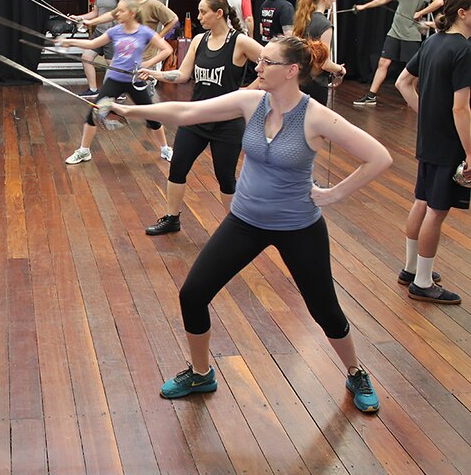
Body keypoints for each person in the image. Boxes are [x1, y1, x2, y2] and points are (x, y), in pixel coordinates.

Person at [109, 35, 393, 413]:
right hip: (245, 220)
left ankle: (355, 371)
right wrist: (130, 112)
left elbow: (379, 157)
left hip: (298, 227)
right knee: (193, 294)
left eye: (266, 63)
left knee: (325, 309)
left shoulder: (316, 116)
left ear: (292, 71)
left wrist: (334, 194)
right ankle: (200, 373)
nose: (257, 67)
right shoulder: (251, 101)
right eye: (260, 61)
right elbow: (187, 113)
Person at [139, 0, 262, 235]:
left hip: (227, 122)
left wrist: (249, 91)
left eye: (203, 12)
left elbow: (272, 63)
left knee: (225, 178)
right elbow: (183, 75)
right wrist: (156, 74)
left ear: (219, 13)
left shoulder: (240, 42)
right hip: (196, 116)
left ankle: (234, 230)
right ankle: (172, 219)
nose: (199, 17)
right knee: (177, 168)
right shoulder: (198, 40)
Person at [394, 0, 471, 304]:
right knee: (436, 212)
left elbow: (402, 82)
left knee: (422, 201)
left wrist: (424, 113)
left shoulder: (433, 43)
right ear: (463, 13)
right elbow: (461, 108)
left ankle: (412, 269)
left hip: (429, 139)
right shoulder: (465, 50)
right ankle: (423, 281)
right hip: (450, 143)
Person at [61, 0, 173, 165]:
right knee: (95, 112)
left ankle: (165, 149)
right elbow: (93, 45)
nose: (116, 14)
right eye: (116, 10)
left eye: (121, 11)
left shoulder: (144, 31)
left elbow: (167, 49)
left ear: (132, 13)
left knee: (152, 117)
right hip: (115, 79)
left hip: (134, 80)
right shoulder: (115, 31)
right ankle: (84, 151)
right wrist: (70, 42)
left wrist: (147, 64)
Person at [353, 0, 444, 106]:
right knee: (383, 63)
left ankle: (412, 99)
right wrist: (364, 7)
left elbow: (439, 1)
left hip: (411, 33)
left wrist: (421, 12)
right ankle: (371, 95)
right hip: (395, 31)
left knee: (412, 69)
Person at [84, 0, 179, 83]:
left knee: (142, 94)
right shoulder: (126, 3)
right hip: (124, 58)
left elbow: (173, 19)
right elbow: (111, 15)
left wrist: (159, 36)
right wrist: (91, 22)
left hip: (144, 58)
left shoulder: (154, 5)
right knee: (109, 89)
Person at [70, 0, 126, 98]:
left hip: (112, 35)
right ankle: (93, 89)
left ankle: (119, 92)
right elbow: (95, 13)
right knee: (86, 57)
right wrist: (79, 17)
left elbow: (126, 11)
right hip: (99, 32)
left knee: (111, 66)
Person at [292, 0, 347, 106]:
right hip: (315, 85)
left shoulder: (302, 19)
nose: (334, 0)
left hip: (298, 81)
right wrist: (340, 69)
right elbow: (323, 63)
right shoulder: (325, 25)